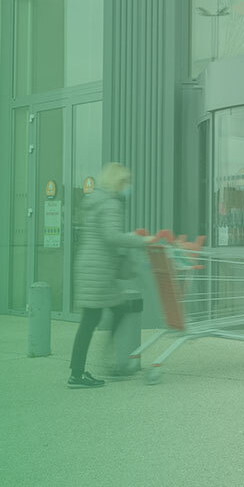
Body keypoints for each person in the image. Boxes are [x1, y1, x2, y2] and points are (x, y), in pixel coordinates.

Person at [69, 163, 153, 389]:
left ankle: (103, 364)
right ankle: (80, 373)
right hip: (98, 269)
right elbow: (111, 236)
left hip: (91, 267)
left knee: (111, 311)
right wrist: (141, 240)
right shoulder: (111, 203)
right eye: (127, 181)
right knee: (93, 318)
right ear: (118, 182)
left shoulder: (96, 200)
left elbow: (104, 235)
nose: (129, 186)